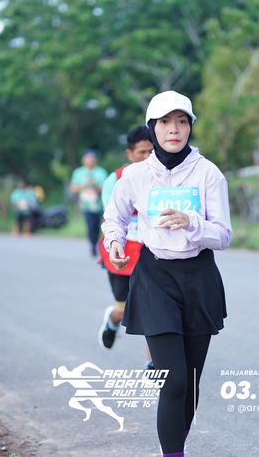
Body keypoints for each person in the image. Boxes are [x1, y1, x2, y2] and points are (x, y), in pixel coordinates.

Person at [102, 91, 231, 457]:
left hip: (199, 278)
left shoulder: (208, 173)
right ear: (152, 128)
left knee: (190, 383)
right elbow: (114, 218)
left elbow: (223, 235)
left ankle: (173, 447)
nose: (174, 129)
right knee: (172, 379)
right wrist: (114, 242)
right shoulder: (135, 175)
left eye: (182, 121)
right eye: (165, 122)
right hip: (155, 277)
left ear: (190, 126)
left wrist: (192, 222)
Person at [97, 125, 154, 361]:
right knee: (124, 309)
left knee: (155, 310)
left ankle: (153, 363)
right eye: (142, 152)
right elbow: (112, 218)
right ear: (130, 154)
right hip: (122, 255)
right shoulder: (115, 179)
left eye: (151, 151)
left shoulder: (161, 177)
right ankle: (113, 320)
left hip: (151, 255)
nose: (147, 157)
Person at [70, 150, 108, 256]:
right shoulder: (78, 172)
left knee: (97, 226)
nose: (90, 160)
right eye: (88, 158)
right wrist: (84, 186)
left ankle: (97, 242)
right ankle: (92, 245)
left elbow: (106, 187)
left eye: (92, 158)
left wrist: (95, 185)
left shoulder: (101, 172)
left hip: (99, 205)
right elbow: (73, 188)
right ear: (83, 160)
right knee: (90, 225)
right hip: (85, 205)